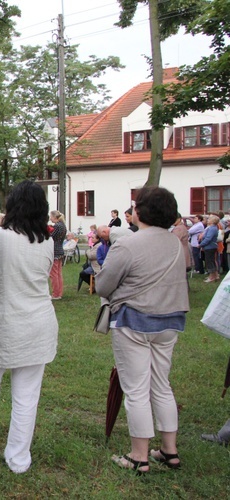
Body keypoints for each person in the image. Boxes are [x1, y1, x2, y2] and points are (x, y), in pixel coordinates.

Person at [96, 186, 189, 473]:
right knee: (161, 384)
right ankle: (169, 450)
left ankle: (139, 456)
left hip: (135, 320)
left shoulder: (128, 245)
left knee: (136, 389)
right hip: (170, 319)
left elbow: (103, 285)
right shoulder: (176, 242)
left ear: (139, 212)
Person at [0, 181, 58, 474]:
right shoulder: (47, 242)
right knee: (26, 397)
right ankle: (18, 459)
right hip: (38, 324)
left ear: (11, 207)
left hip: (2, 323)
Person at [48, 210, 66, 300]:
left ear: (54, 217)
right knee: (58, 273)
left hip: (55, 250)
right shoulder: (63, 225)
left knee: (53, 274)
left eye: (51, 216)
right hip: (60, 250)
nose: (50, 218)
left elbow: (51, 236)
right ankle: (59, 292)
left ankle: (56, 293)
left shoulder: (57, 226)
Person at [199, 215, 220, 282]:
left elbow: (208, 238)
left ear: (213, 221)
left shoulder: (212, 228)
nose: (208, 220)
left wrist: (201, 244)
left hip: (210, 247)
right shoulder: (211, 228)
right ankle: (216, 275)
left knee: (209, 262)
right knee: (212, 261)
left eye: (209, 219)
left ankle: (211, 277)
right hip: (210, 247)